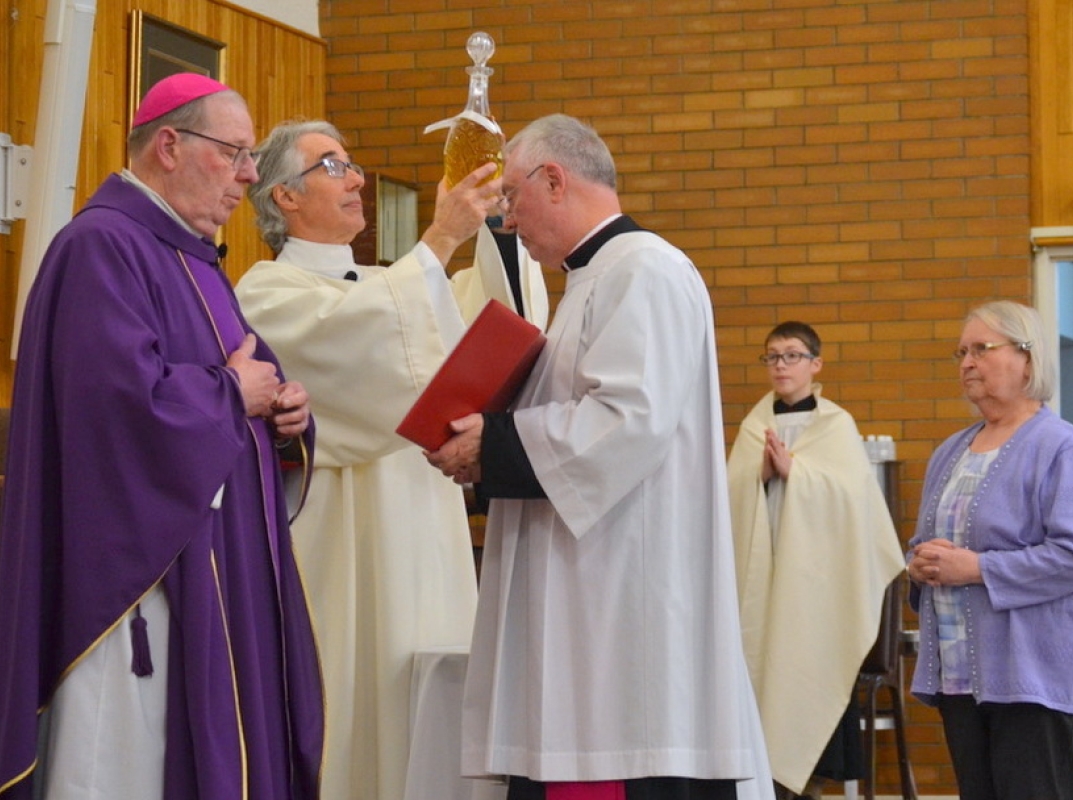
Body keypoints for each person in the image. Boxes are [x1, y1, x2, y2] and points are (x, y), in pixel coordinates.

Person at [426, 114, 773, 800]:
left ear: (554, 179)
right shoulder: (596, 278)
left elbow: (626, 420)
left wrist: (492, 445)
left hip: (622, 608)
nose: (509, 220)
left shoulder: (645, 270)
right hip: (590, 593)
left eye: (512, 199)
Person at [0, 74, 323, 798]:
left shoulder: (194, 257)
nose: (248, 174)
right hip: (140, 581)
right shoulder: (102, 247)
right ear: (169, 145)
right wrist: (232, 394)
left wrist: (283, 415)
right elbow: (110, 412)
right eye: (234, 152)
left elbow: (244, 376)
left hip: (215, 563)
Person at [234, 118, 547, 800]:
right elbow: (368, 342)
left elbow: (477, 315)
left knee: (433, 721)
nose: (356, 180)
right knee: (360, 716)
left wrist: (493, 223)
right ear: (283, 197)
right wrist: (440, 238)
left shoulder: (391, 283)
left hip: (426, 533)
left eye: (352, 163)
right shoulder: (262, 295)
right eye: (333, 166)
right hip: (343, 551)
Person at [906, 300, 1073, 800]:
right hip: (960, 674)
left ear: (1027, 359)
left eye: (981, 349)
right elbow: (928, 540)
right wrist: (921, 562)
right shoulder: (950, 449)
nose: (967, 362)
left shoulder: (1059, 445)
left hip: (1029, 675)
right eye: (961, 352)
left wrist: (975, 568)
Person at [727, 321, 905, 800]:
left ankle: (809, 786)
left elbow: (856, 507)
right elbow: (729, 503)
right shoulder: (752, 428)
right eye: (772, 357)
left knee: (809, 677)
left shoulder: (836, 425)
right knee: (764, 679)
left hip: (817, 596)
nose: (781, 366)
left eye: (791, 355)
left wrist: (796, 473)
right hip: (765, 594)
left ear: (815, 364)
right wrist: (759, 477)